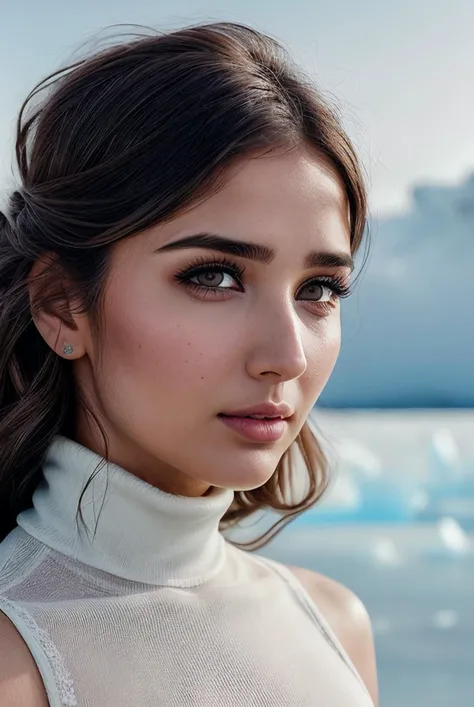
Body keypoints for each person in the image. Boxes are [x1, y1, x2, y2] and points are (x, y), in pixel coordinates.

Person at [0, 21, 378, 707]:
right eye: (213, 276)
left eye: (319, 289)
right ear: (61, 305)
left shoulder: (335, 625)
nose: (286, 356)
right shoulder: (16, 655)